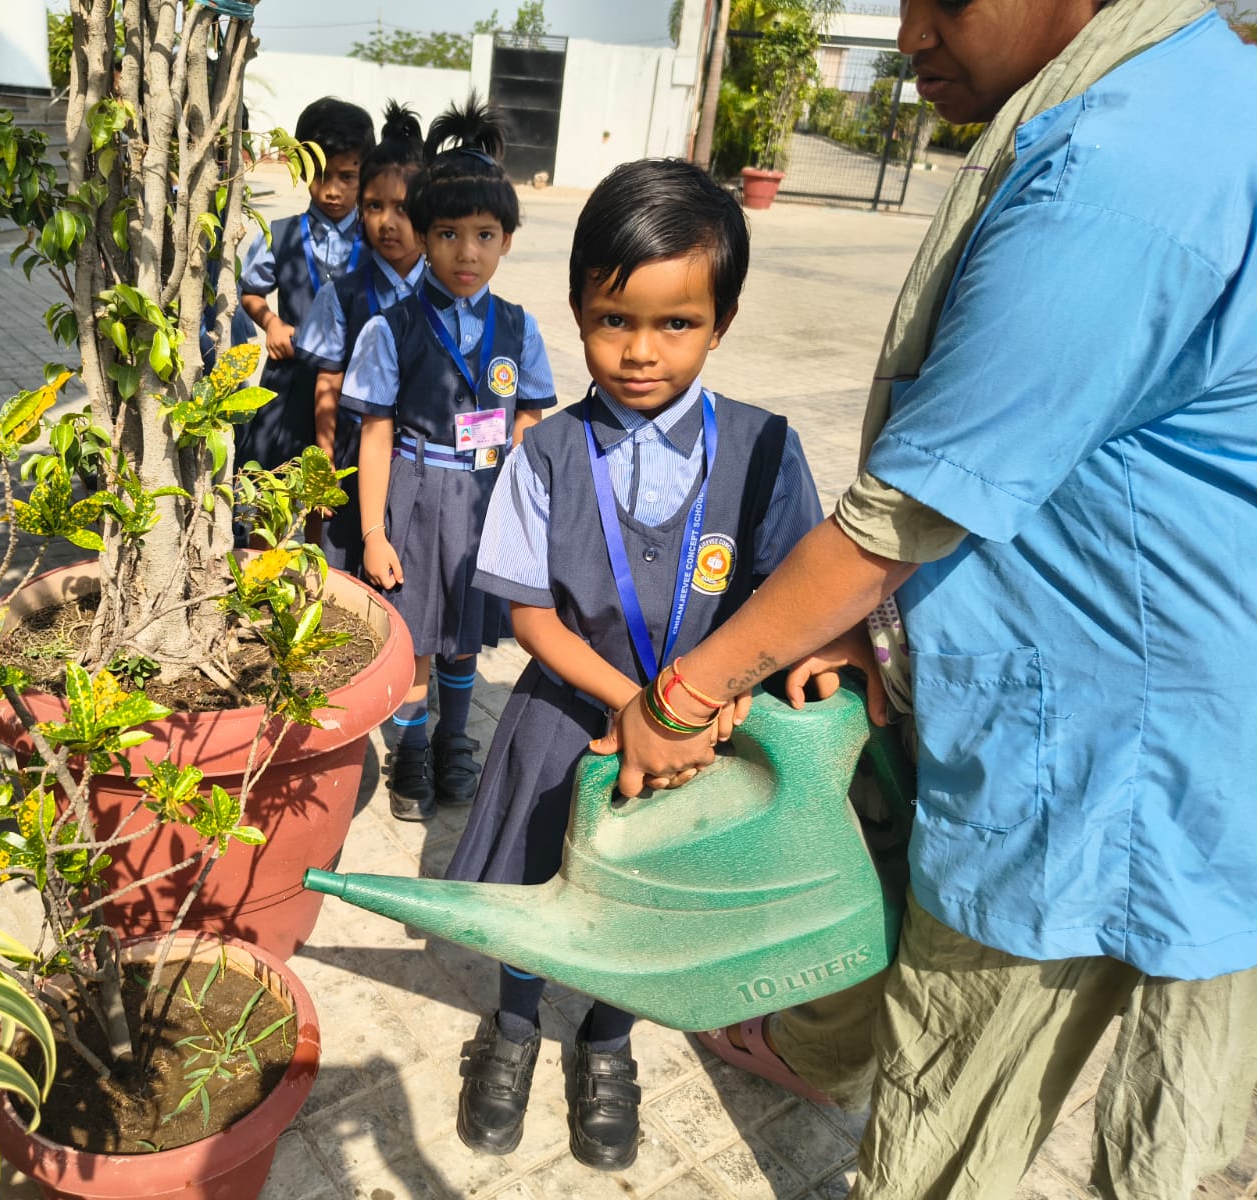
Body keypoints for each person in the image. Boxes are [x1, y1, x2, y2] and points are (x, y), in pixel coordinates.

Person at [595, 2, 1257, 1195]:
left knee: (948, 1123)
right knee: (1178, 1110)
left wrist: (684, 694)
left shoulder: (1113, 171)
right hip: (1204, 715)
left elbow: (905, 509)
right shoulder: (1209, 98)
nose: (908, 35)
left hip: (1098, 752)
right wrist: (874, 619)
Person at [438, 157, 826, 1171]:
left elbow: (792, 599)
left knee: (657, 897)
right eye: (614, 320)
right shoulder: (545, 454)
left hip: (705, 737)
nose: (641, 351)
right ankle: (513, 1026)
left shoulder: (767, 451)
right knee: (534, 884)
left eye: (676, 323)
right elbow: (531, 616)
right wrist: (638, 703)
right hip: (569, 717)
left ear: (722, 322)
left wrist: (722, 699)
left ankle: (608, 1040)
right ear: (576, 309)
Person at [340, 95, 557, 821]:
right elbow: (374, 433)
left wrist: (523, 514)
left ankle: (454, 739)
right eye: (449, 234)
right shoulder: (391, 328)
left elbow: (527, 419)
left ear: (508, 240)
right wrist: (373, 532)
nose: (468, 253)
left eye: (485, 235)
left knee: (465, 635)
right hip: (415, 496)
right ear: (424, 236)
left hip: (485, 500)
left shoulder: (519, 328)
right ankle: (410, 749)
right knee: (416, 638)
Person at [294, 102, 428, 575]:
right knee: (344, 570)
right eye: (374, 206)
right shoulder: (342, 294)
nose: (387, 222)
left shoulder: (446, 295)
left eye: (403, 209)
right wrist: (325, 463)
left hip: (421, 462)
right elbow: (328, 382)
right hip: (355, 454)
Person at [236, 96, 374, 471]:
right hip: (289, 383)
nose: (332, 191)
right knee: (269, 478)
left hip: (355, 387)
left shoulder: (378, 241)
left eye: (347, 177)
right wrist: (271, 323)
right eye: (321, 175)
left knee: (340, 484)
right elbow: (250, 291)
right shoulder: (279, 235)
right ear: (300, 167)